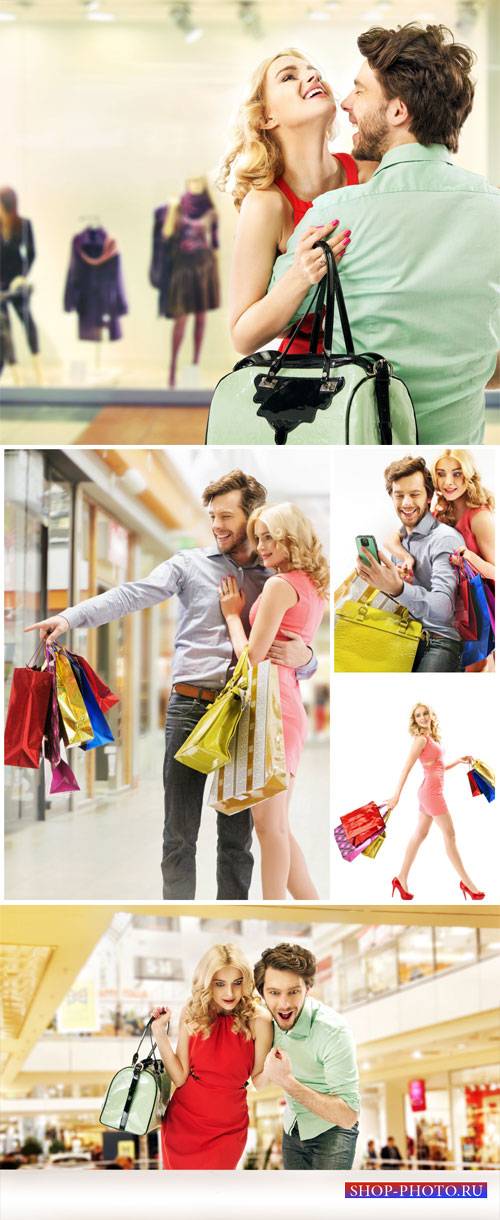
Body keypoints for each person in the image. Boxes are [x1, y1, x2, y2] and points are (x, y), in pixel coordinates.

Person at [25, 469, 315, 901]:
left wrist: (307, 660)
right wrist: (69, 617)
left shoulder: (272, 575)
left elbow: (294, 644)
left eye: (227, 516)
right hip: (190, 706)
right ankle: (179, 912)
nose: (217, 525)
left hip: (244, 713)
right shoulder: (189, 565)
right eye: (212, 516)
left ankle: (231, 918)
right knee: (179, 833)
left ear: (253, 516)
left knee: (237, 840)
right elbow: (129, 595)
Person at [268, 23, 500, 443]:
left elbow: (270, 319)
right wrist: (462, 364)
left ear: (397, 111)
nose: (346, 104)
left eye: (360, 91)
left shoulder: (333, 216)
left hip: (354, 444)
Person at [218, 48, 377, 357]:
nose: (312, 76)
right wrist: (299, 276)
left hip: (379, 373)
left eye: (313, 71)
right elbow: (242, 337)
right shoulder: (266, 205)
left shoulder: (370, 175)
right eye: (289, 76)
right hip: (310, 388)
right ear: (266, 117)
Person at [219, 502, 328, 899]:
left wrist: (233, 616)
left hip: (271, 706)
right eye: (258, 537)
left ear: (290, 537)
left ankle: (274, 908)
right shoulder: (311, 585)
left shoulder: (280, 586)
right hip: (286, 703)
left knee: (268, 826)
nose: (261, 546)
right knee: (277, 824)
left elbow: (252, 656)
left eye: (269, 537)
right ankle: (309, 904)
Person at [151, 944, 272, 1170]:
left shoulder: (259, 1019)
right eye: (220, 984)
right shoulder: (193, 1010)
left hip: (229, 1128)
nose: (230, 993)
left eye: (237, 983)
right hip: (183, 1124)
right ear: (207, 983)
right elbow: (179, 1076)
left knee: (216, 1196)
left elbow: (259, 1081)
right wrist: (159, 1032)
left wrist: (277, 1068)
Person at [254, 943, 359, 1170]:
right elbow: (259, 1082)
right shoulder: (265, 1022)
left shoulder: (333, 1031)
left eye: (294, 991)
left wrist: (286, 1082)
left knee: (327, 1203)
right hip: (293, 1128)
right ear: (262, 993)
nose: (284, 1004)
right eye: (274, 993)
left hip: (333, 1130)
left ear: (307, 989)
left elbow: (349, 1116)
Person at [389, 448, 495, 671]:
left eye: (457, 473)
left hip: (475, 607)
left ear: (469, 475)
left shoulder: (479, 517)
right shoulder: (441, 509)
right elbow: (393, 539)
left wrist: (469, 556)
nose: (448, 482)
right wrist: (406, 557)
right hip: (449, 611)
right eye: (441, 473)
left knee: (478, 666)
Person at [355, 456, 463, 672]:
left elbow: (443, 608)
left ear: (429, 496)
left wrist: (399, 588)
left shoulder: (444, 539)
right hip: (403, 635)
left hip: (439, 641)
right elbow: (401, 598)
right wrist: (377, 580)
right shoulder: (400, 541)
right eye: (399, 495)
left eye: (414, 494)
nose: (406, 503)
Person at [388, 702, 485, 902]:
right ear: (414, 720)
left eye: (425, 713)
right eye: (418, 715)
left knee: (420, 834)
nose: (422, 717)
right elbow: (406, 768)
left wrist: (457, 761)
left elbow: (437, 767)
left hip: (429, 792)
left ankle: (401, 878)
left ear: (431, 715)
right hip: (432, 795)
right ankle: (468, 884)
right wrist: (396, 795)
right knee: (450, 836)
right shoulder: (420, 740)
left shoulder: (430, 738)